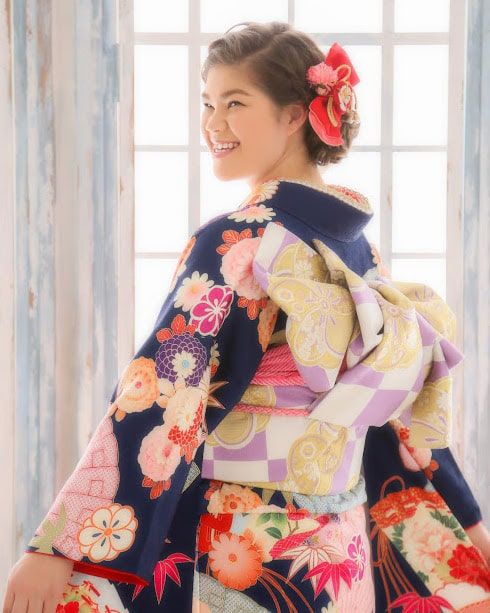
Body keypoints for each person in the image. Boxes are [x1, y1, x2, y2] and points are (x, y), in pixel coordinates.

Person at [4, 21, 490, 613]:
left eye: (235, 103)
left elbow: (163, 393)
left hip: (246, 553)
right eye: (208, 104)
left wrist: (57, 548)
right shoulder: (356, 249)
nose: (213, 125)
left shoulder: (239, 240)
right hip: (336, 559)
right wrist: (463, 520)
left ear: (295, 115)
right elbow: (397, 412)